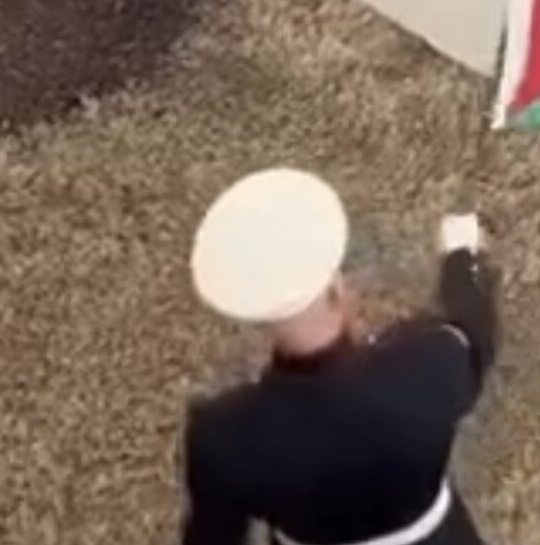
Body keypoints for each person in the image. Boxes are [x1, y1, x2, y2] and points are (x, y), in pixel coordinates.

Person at [179, 167, 497, 545]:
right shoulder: (429, 364)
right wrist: (463, 258)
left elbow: (213, 539)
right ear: (335, 293)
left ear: (260, 321)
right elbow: (476, 329)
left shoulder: (223, 435)